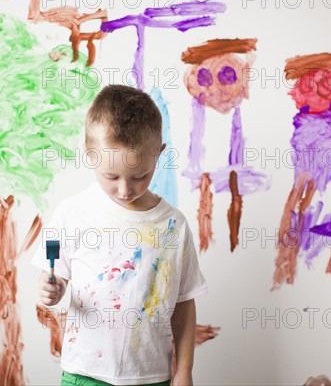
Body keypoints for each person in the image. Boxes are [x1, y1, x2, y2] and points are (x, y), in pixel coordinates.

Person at [32, 84, 208, 386]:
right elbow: (56, 277)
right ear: (90, 154)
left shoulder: (172, 226)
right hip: (84, 374)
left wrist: (184, 370)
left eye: (140, 175)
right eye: (111, 177)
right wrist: (53, 289)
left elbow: (184, 302)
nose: (125, 190)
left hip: (151, 375)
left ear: (158, 154)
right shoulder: (72, 213)